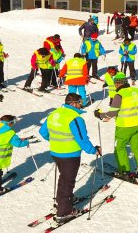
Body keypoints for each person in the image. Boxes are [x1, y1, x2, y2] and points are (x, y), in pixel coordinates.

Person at [40, 93, 101, 222]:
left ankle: (63, 202)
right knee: (68, 182)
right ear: (72, 103)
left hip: (56, 152)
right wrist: (93, 150)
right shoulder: (75, 118)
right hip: (70, 155)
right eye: (80, 102)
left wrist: (56, 141)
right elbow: (82, 139)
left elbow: (43, 132)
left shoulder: (54, 113)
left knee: (64, 179)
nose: (81, 105)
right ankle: (64, 212)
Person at [94, 73, 138, 181]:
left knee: (119, 148)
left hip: (124, 126)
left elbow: (111, 113)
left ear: (117, 83)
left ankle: (124, 172)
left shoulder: (119, 95)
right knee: (137, 147)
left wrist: (99, 114)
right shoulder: (137, 91)